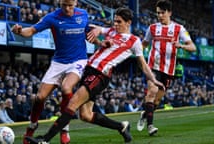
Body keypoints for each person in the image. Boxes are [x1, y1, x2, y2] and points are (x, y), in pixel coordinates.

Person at [25, 7, 164, 144]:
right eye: (114, 21)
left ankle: (44, 140)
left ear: (128, 23)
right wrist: (97, 29)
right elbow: (90, 26)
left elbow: (143, 64)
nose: (115, 24)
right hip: (88, 71)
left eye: (119, 22)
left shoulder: (134, 41)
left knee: (72, 103)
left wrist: (153, 79)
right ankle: (121, 127)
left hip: (100, 75)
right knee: (85, 115)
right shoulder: (110, 31)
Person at [11, 0, 97, 143]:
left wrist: (99, 38)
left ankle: (64, 129)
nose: (67, 9)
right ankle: (32, 126)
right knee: (40, 97)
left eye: (70, 5)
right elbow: (31, 30)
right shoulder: (52, 17)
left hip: (78, 60)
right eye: (64, 5)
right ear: (59, 3)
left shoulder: (83, 14)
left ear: (75, 2)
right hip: (58, 61)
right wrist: (20, 32)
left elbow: (89, 32)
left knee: (66, 88)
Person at [136, 0, 196, 136]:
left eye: (162, 13)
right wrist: (136, 51)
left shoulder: (179, 29)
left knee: (157, 100)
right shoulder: (151, 28)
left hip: (169, 69)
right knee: (151, 92)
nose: (160, 15)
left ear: (170, 13)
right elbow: (144, 44)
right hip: (153, 66)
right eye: (158, 13)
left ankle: (145, 114)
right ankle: (150, 126)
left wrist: (181, 46)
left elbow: (193, 47)